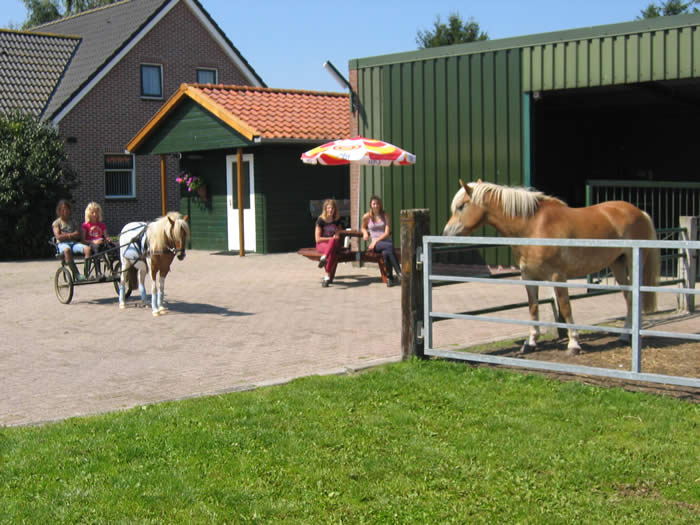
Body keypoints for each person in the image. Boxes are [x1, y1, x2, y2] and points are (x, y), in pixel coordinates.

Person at [361, 195, 402, 287]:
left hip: (384, 241)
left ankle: (389, 278)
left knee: (386, 252)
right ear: (370, 205)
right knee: (389, 247)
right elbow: (363, 228)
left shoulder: (385, 215)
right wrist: (365, 233)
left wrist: (376, 241)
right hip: (376, 245)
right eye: (374, 204)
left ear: (380, 205)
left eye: (378, 203)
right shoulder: (367, 217)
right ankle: (399, 273)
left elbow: (387, 233)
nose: (376, 205)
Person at [52, 199, 90, 281]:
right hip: (62, 244)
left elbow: (78, 235)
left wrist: (65, 234)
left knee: (87, 249)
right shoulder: (57, 223)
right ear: (59, 211)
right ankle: (77, 274)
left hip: (74, 243)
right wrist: (71, 235)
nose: (65, 211)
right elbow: (58, 237)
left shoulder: (73, 221)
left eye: (67, 209)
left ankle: (86, 273)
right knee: (67, 250)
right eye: (63, 209)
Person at [315, 198, 345, 287]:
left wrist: (337, 234)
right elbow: (317, 239)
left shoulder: (337, 220)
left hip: (334, 245)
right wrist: (331, 239)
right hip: (322, 244)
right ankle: (327, 276)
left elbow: (339, 234)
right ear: (325, 209)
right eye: (328, 208)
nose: (330, 210)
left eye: (332, 208)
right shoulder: (320, 220)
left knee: (332, 245)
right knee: (332, 252)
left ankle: (324, 258)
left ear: (335, 209)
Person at [81, 201, 110, 280]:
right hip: (91, 244)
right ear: (89, 213)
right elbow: (83, 240)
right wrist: (93, 241)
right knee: (96, 247)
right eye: (92, 212)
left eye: (96, 212)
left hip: (101, 243)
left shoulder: (102, 225)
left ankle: (115, 269)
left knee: (114, 246)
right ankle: (98, 273)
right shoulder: (85, 225)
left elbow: (106, 236)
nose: (95, 214)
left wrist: (107, 239)